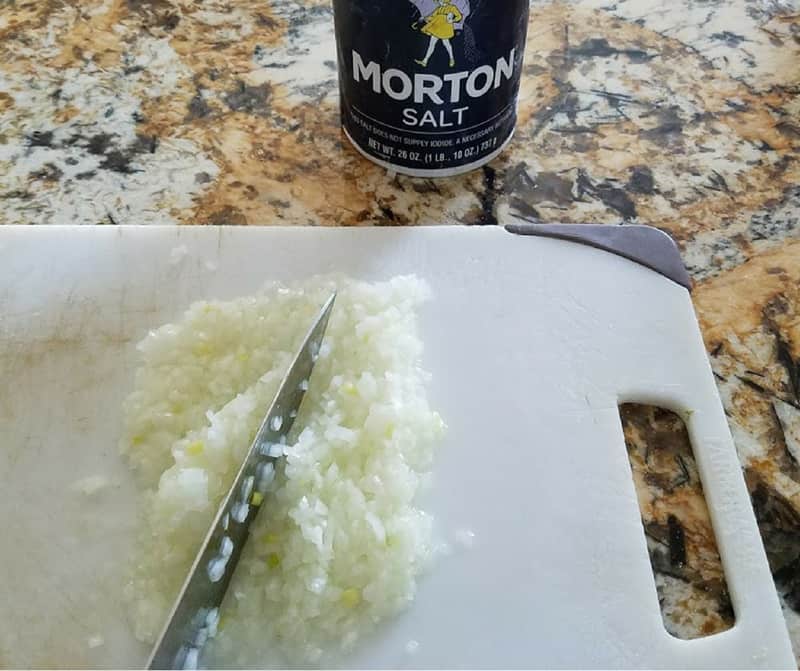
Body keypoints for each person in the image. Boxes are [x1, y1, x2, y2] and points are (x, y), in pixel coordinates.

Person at [415, 0, 463, 68]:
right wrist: (424, 18)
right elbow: (433, 18)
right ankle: (425, 61)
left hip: (445, 29)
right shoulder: (439, 8)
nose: (438, 2)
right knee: (431, 45)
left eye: (440, 0)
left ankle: (452, 58)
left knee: (446, 44)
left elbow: (459, 16)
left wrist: (452, 20)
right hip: (436, 29)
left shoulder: (452, 7)